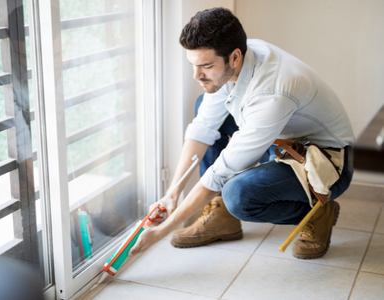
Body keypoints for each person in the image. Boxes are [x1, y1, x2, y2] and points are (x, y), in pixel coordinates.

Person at [129, 7, 354, 260]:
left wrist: (160, 232)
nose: (196, 76)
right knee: (204, 106)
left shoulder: (272, 91)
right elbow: (203, 128)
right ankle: (220, 216)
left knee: (238, 195)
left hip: (325, 161)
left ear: (234, 57)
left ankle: (318, 211)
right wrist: (171, 194)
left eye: (206, 66)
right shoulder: (242, 54)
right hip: (281, 140)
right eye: (193, 65)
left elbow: (220, 173)